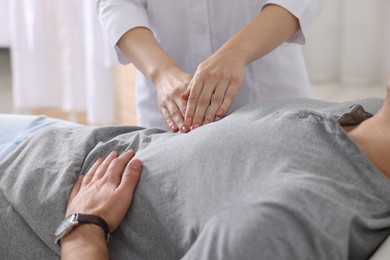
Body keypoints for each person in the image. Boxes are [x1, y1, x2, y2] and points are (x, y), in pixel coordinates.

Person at [1, 83, 390, 259]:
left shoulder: (289, 220)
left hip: (20, 208)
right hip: (50, 139)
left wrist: (83, 232)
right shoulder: (369, 112)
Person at [97, 0, 324, 132]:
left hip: (268, 93)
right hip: (172, 105)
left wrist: (238, 52)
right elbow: (117, 3)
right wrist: (162, 73)